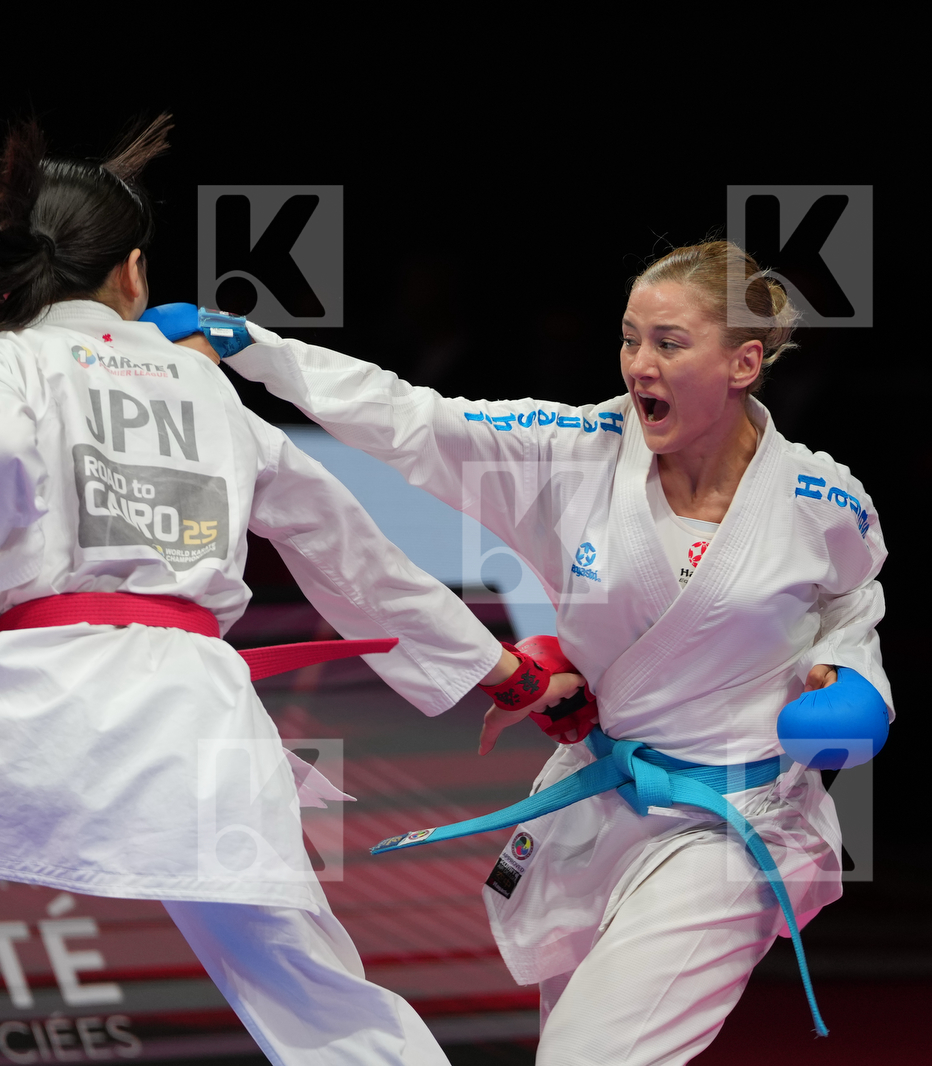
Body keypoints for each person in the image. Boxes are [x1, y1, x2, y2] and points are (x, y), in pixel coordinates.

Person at [220, 240, 894, 1064]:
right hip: (598, 806)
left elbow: (854, 603)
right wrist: (255, 347)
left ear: (743, 362)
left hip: (736, 827)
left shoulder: (824, 500)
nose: (639, 364)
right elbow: (413, 420)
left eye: (669, 344)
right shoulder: (570, 453)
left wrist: (858, 680)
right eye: (629, 337)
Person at [0, 116, 563, 1065]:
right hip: (189, 717)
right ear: (133, 273)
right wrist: (504, 671)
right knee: (310, 987)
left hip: (30, 699)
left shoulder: (13, 366)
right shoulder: (207, 389)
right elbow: (352, 550)